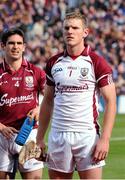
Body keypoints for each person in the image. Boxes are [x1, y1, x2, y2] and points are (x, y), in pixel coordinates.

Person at [36, 10, 116, 179]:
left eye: (75, 28)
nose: (70, 31)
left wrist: (105, 139)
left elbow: (111, 101)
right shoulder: (53, 62)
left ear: (85, 32)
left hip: (86, 135)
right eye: (66, 28)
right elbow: (48, 101)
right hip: (58, 135)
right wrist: (40, 138)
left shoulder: (97, 62)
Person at [0, 28, 46, 179]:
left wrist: (40, 108)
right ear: (3, 46)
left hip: (30, 135)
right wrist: (1, 127)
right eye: (11, 43)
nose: (15, 47)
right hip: (2, 136)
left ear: (24, 47)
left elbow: (53, 97)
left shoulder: (36, 72)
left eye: (19, 43)